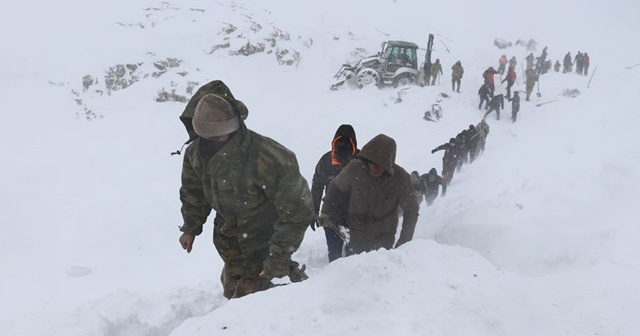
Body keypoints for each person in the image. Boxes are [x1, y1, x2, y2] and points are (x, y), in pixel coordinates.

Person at [178, 84, 315, 299]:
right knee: (233, 294)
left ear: (233, 126)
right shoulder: (196, 153)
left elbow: (298, 212)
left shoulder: (270, 157)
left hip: (266, 247)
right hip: (229, 245)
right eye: (206, 135)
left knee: (265, 307)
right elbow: (193, 192)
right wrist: (190, 227)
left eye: (219, 136)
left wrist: (277, 260)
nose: (212, 141)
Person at [318, 134, 419, 254]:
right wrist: (325, 212)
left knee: (379, 267)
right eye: (371, 162)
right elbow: (336, 187)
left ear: (388, 164)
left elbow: (411, 209)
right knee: (357, 267)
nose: (375, 167)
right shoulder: (355, 168)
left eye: (380, 164)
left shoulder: (400, 178)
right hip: (357, 232)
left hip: (384, 235)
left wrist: (404, 242)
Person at [310, 125, 359, 262]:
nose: (342, 148)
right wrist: (314, 211)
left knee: (354, 255)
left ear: (353, 145)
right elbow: (317, 186)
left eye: (347, 145)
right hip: (331, 216)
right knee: (334, 254)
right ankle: (334, 277)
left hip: (355, 216)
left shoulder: (362, 161)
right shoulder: (325, 162)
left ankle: (353, 280)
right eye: (339, 144)